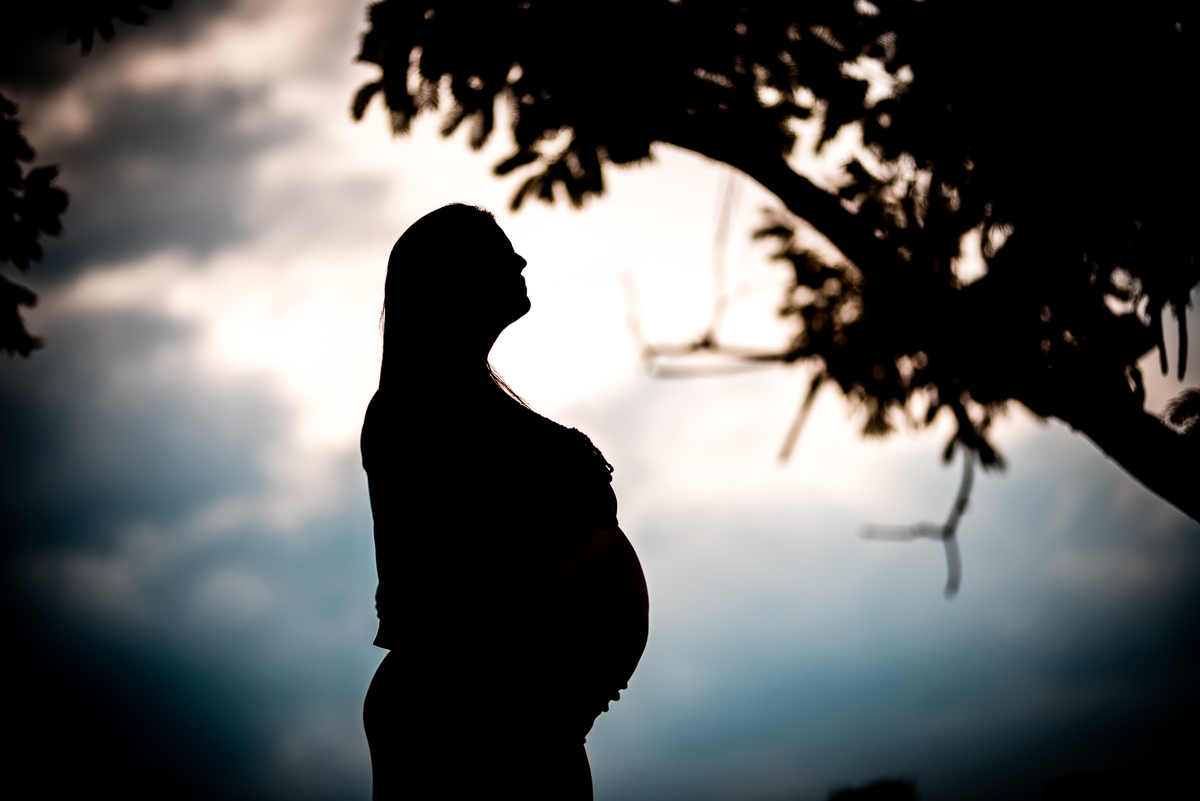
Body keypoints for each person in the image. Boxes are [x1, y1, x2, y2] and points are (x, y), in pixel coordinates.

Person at [361, 204, 649, 799]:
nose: (519, 261)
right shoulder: (420, 398)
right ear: (442, 282)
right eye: (496, 252)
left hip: (522, 707)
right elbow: (433, 564)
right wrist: (546, 637)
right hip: (468, 708)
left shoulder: (461, 393)